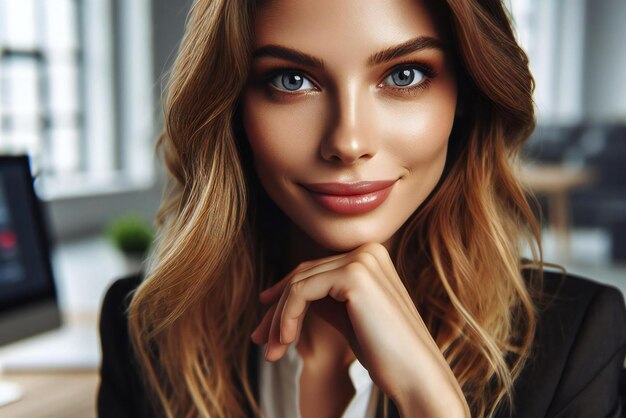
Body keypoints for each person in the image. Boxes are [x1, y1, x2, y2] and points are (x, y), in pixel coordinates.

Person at [97, 0, 626, 417]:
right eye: (291, 80)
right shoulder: (144, 330)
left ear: (465, 96)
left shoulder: (575, 343)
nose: (348, 142)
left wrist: (433, 407)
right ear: (233, 106)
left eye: (404, 75)